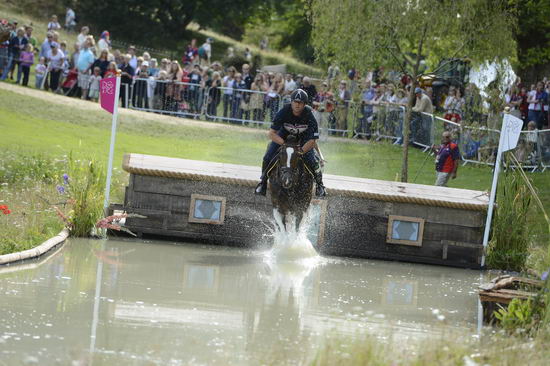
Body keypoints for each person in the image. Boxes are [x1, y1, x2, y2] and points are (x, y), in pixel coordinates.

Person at [255, 89, 326, 197]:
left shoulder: (309, 115)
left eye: (300, 103)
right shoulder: (283, 111)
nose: (297, 105)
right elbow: (271, 134)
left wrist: (301, 151)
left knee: (313, 161)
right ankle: (263, 183)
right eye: (295, 102)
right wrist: (284, 144)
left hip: (304, 137)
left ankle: (320, 186)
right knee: (267, 157)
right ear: (291, 101)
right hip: (284, 135)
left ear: (304, 104)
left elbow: (312, 140)